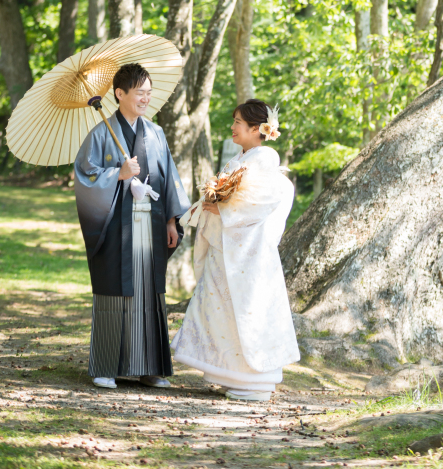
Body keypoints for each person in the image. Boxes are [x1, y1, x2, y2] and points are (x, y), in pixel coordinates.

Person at [171, 98, 300, 401]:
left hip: (247, 253)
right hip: (228, 249)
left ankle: (253, 381)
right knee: (222, 311)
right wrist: (212, 203)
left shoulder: (265, 159)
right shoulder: (242, 158)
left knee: (245, 313)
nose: (232, 127)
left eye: (238, 123)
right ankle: (232, 374)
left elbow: (262, 200)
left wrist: (224, 209)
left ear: (257, 129)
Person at [74, 62, 190, 390]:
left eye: (149, 93)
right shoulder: (100, 132)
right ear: (119, 94)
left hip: (150, 222)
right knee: (114, 291)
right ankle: (106, 366)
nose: (145, 98)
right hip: (114, 225)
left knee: (147, 292)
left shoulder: (155, 133)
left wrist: (170, 219)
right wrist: (117, 175)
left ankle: (149, 368)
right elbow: (85, 176)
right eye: (140, 93)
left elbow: (168, 178)